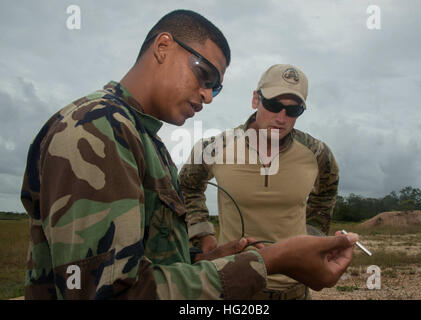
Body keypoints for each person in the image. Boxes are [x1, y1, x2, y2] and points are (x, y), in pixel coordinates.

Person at [21, 10, 357, 300]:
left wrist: (205, 259)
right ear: (163, 47)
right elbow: (108, 293)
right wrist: (270, 260)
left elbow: (146, 264)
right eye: (204, 73)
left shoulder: (142, 137)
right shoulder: (96, 129)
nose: (208, 96)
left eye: (217, 86)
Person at [179, 64, 339, 299]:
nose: (282, 118)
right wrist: (203, 234)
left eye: (293, 110)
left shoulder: (317, 153)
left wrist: (313, 238)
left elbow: (326, 194)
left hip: (294, 288)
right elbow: (186, 186)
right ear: (256, 100)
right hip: (233, 284)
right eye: (274, 105)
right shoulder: (215, 148)